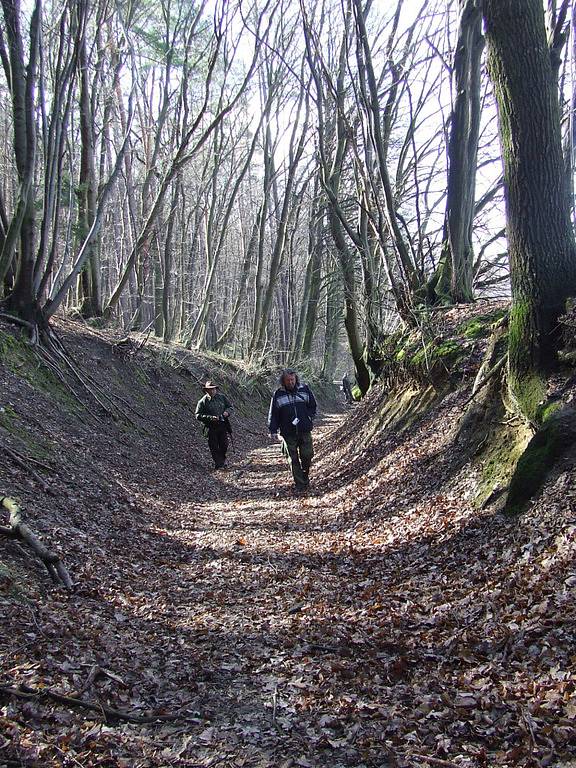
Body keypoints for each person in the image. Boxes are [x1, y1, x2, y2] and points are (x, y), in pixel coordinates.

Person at [268, 368, 317, 494]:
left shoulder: (304, 389)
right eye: (288, 380)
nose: (291, 382)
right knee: (293, 459)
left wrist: (309, 417)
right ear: (283, 381)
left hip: (304, 430)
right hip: (287, 432)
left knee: (307, 455)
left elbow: (313, 406)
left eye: (292, 379)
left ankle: (305, 476)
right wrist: (273, 430)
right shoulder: (278, 395)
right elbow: (273, 414)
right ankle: (300, 483)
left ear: (296, 379)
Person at [195, 381, 233, 470]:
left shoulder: (222, 398)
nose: (212, 391)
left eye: (213, 389)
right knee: (214, 446)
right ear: (206, 390)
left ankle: (222, 460)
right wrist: (210, 418)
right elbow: (198, 415)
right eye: (210, 389)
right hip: (210, 427)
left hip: (223, 425)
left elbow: (230, 407)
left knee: (224, 444)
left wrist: (227, 412)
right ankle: (218, 464)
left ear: (216, 389)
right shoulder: (202, 401)